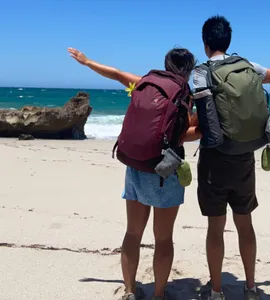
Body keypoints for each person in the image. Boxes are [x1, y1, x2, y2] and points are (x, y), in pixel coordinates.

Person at [68, 47, 201, 300]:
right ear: (189, 70)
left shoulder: (145, 82)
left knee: (132, 233)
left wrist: (87, 62)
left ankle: (129, 291)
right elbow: (183, 134)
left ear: (166, 64)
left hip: (136, 166)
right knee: (163, 239)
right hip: (165, 172)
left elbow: (117, 74)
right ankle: (159, 294)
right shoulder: (183, 95)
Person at [193, 15, 270, 300]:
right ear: (228, 41)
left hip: (215, 160)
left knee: (216, 227)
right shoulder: (246, 65)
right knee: (245, 222)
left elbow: (196, 115)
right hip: (245, 157)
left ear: (205, 44)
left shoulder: (201, 72)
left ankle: (216, 291)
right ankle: (251, 286)